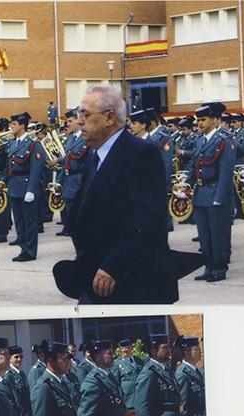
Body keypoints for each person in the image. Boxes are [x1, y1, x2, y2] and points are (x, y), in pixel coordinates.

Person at [65, 85, 178, 303]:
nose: (79, 121)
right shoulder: (97, 154)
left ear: (109, 118)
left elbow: (147, 220)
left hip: (129, 279)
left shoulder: (141, 153)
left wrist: (113, 266)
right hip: (97, 274)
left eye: (85, 115)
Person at [186, 101, 236, 283]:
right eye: (198, 120)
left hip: (215, 192)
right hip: (201, 192)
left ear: (215, 120)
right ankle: (208, 265)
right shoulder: (200, 140)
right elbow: (194, 165)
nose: (199, 123)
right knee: (204, 234)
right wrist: (186, 184)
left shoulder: (224, 141)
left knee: (218, 233)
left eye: (204, 119)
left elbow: (225, 171)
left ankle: (219, 267)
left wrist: (219, 197)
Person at [6, 111, 45, 262]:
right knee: (19, 220)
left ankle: (30, 251)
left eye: (14, 124)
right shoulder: (12, 143)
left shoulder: (33, 145)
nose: (11, 126)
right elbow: (8, 166)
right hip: (14, 186)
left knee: (29, 221)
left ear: (22, 125)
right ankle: (23, 248)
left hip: (26, 186)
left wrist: (31, 190)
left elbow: (36, 168)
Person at [57, 108, 88, 237]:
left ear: (78, 120)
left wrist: (59, 160)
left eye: (70, 121)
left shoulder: (85, 136)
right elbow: (66, 156)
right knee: (70, 209)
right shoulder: (70, 137)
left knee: (81, 213)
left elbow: (80, 157)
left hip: (80, 179)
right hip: (69, 179)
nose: (68, 124)